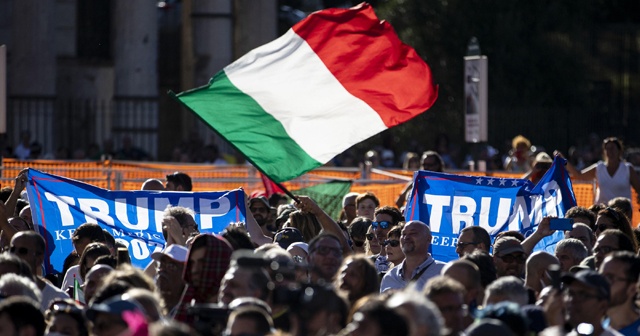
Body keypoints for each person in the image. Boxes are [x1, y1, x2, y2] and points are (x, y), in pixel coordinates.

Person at [560, 137, 640, 205]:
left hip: (623, 214)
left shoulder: (627, 168)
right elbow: (579, 175)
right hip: (603, 213)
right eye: (607, 149)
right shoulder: (599, 168)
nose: (609, 151)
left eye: (612, 148)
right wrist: (563, 160)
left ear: (619, 151)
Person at [174, 234, 233, 323]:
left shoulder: (235, 315)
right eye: (192, 263)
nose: (194, 270)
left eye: (202, 262)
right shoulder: (187, 308)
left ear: (219, 263)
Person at [10, 231, 69, 311]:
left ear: (39, 257)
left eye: (22, 251)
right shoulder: (2, 292)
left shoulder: (58, 298)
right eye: (12, 250)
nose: (15, 255)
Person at [380, 221, 445, 292]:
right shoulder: (390, 277)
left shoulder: (443, 272)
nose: (406, 237)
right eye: (403, 234)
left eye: (413, 233)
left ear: (428, 239)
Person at [599, 251, 640, 335]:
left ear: (632, 289)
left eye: (610, 278)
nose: (602, 283)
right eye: (600, 277)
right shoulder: (596, 329)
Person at [62, 223, 107, 291]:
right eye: (80, 256)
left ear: (102, 244)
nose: (84, 262)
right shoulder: (73, 273)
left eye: (88, 254)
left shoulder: (119, 271)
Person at [150, 244, 187, 315]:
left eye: (171, 266)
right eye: (161, 265)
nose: (161, 270)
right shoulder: (150, 308)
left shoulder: (188, 313)